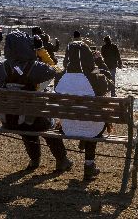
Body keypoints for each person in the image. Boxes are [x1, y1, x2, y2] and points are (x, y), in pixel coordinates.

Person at [0, 31, 72, 172]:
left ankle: (34, 160)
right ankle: (62, 160)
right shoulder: (35, 68)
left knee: (28, 120)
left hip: (9, 120)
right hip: (31, 121)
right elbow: (58, 71)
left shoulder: (1, 68)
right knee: (47, 124)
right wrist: (41, 51)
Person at [55, 40, 113, 181]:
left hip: (67, 126)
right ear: (88, 56)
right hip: (92, 127)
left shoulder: (60, 77)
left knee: (85, 117)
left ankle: (82, 144)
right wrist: (100, 62)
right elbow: (111, 84)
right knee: (92, 120)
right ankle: (89, 165)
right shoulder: (94, 77)